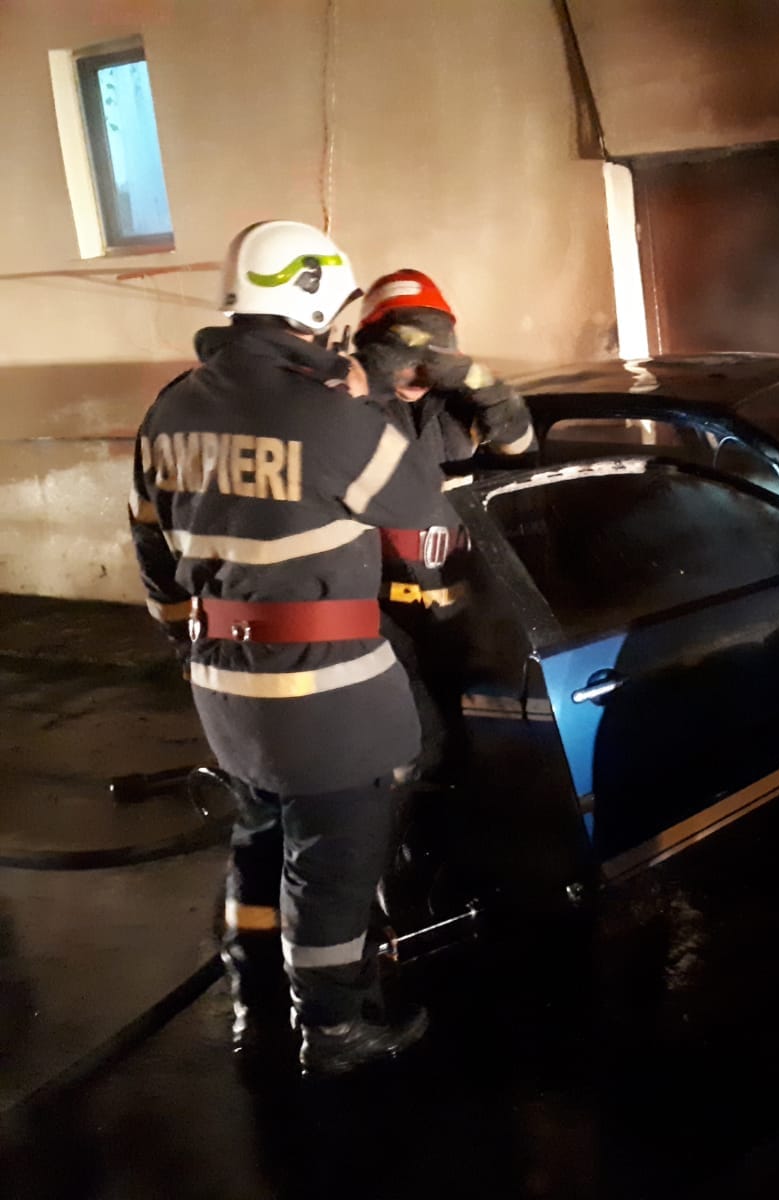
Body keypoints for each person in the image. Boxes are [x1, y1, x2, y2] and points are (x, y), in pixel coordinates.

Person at [128, 221, 446, 1074]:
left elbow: (153, 551)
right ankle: (334, 1030)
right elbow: (424, 512)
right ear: (315, 309)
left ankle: (254, 1005)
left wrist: (188, 642)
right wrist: (373, 396)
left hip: (223, 689)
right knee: (333, 864)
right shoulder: (330, 415)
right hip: (330, 696)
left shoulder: (172, 407)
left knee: (259, 841)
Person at [352, 269, 534, 784]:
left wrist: (491, 392)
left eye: (430, 356)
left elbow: (521, 457)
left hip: (458, 612)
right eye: (404, 354)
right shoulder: (348, 410)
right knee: (409, 751)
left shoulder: (459, 409)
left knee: (472, 743)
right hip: (380, 619)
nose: (417, 372)